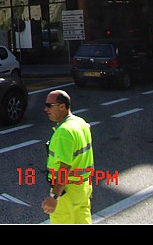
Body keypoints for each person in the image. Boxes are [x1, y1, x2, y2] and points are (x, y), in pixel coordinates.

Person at [41, 89, 94, 224]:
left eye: (49, 106)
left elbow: (65, 167)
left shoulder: (64, 131)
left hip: (67, 193)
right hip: (82, 188)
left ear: (62, 106)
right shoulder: (80, 123)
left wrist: (54, 196)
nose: (45, 109)